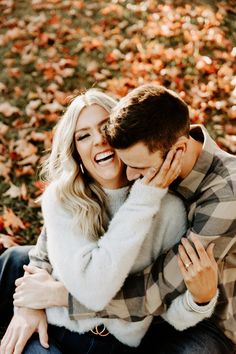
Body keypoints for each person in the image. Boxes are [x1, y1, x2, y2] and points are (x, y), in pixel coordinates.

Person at [0, 88, 218, 354]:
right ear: (76, 152)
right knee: (11, 261)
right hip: (53, 332)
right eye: (83, 136)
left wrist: (200, 300)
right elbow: (83, 282)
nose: (99, 141)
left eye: (105, 128)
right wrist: (26, 308)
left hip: (118, 347)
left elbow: (169, 311)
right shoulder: (62, 198)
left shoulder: (168, 209)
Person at [68, 84, 235, 353]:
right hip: (136, 300)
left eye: (139, 167)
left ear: (179, 150)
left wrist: (65, 298)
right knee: (15, 262)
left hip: (202, 319)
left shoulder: (226, 196)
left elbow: (159, 288)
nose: (130, 175)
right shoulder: (155, 141)